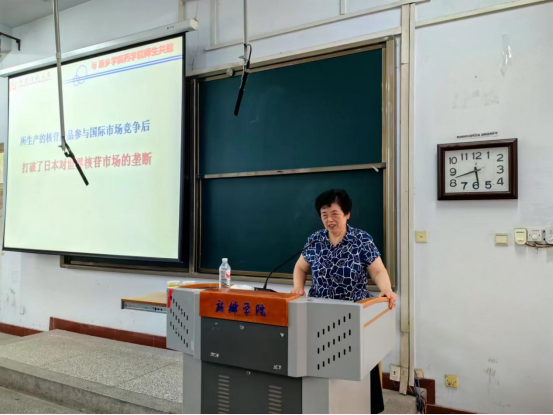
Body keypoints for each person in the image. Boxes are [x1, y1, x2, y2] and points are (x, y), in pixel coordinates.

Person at [291, 189, 397, 414]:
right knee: (321, 367)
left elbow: (378, 271)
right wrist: (298, 287)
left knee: (358, 368)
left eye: (335, 214)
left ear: (347, 214)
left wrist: (386, 289)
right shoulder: (315, 240)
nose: (329, 219)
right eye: (324, 214)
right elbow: (300, 267)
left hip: (354, 315)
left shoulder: (361, 240)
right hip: (318, 315)